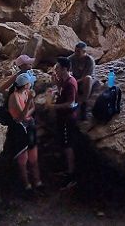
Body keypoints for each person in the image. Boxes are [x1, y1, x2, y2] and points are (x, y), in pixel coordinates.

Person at [6, 72, 43, 192]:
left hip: (29, 126)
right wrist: (28, 103)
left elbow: (32, 109)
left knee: (33, 157)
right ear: (26, 85)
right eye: (29, 83)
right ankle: (27, 186)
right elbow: (22, 116)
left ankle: (37, 182)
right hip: (20, 129)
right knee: (23, 159)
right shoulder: (14, 96)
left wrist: (27, 110)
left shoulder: (26, 93)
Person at [47, 57, 79, 186]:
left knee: (68, 145)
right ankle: (66, 169)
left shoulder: (71, 83)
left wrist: (53, 107)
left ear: (65, 69)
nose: (56, 70)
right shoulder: (65, 81)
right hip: (62, 117)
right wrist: (57, 83)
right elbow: (62, 91)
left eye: (58, 68)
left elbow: (71, 103)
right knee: (64, 143)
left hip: (67, 118)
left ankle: (71, 175)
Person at [67, 42, 98, 120]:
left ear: (84, 52)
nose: (76, 53)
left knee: (88, 78)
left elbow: (86, 76)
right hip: (75, 80)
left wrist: (74, 81)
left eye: (78, 52)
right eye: (75, 51)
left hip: (86, 81)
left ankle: (83, 102)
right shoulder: (71, 58)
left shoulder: (90, 61)